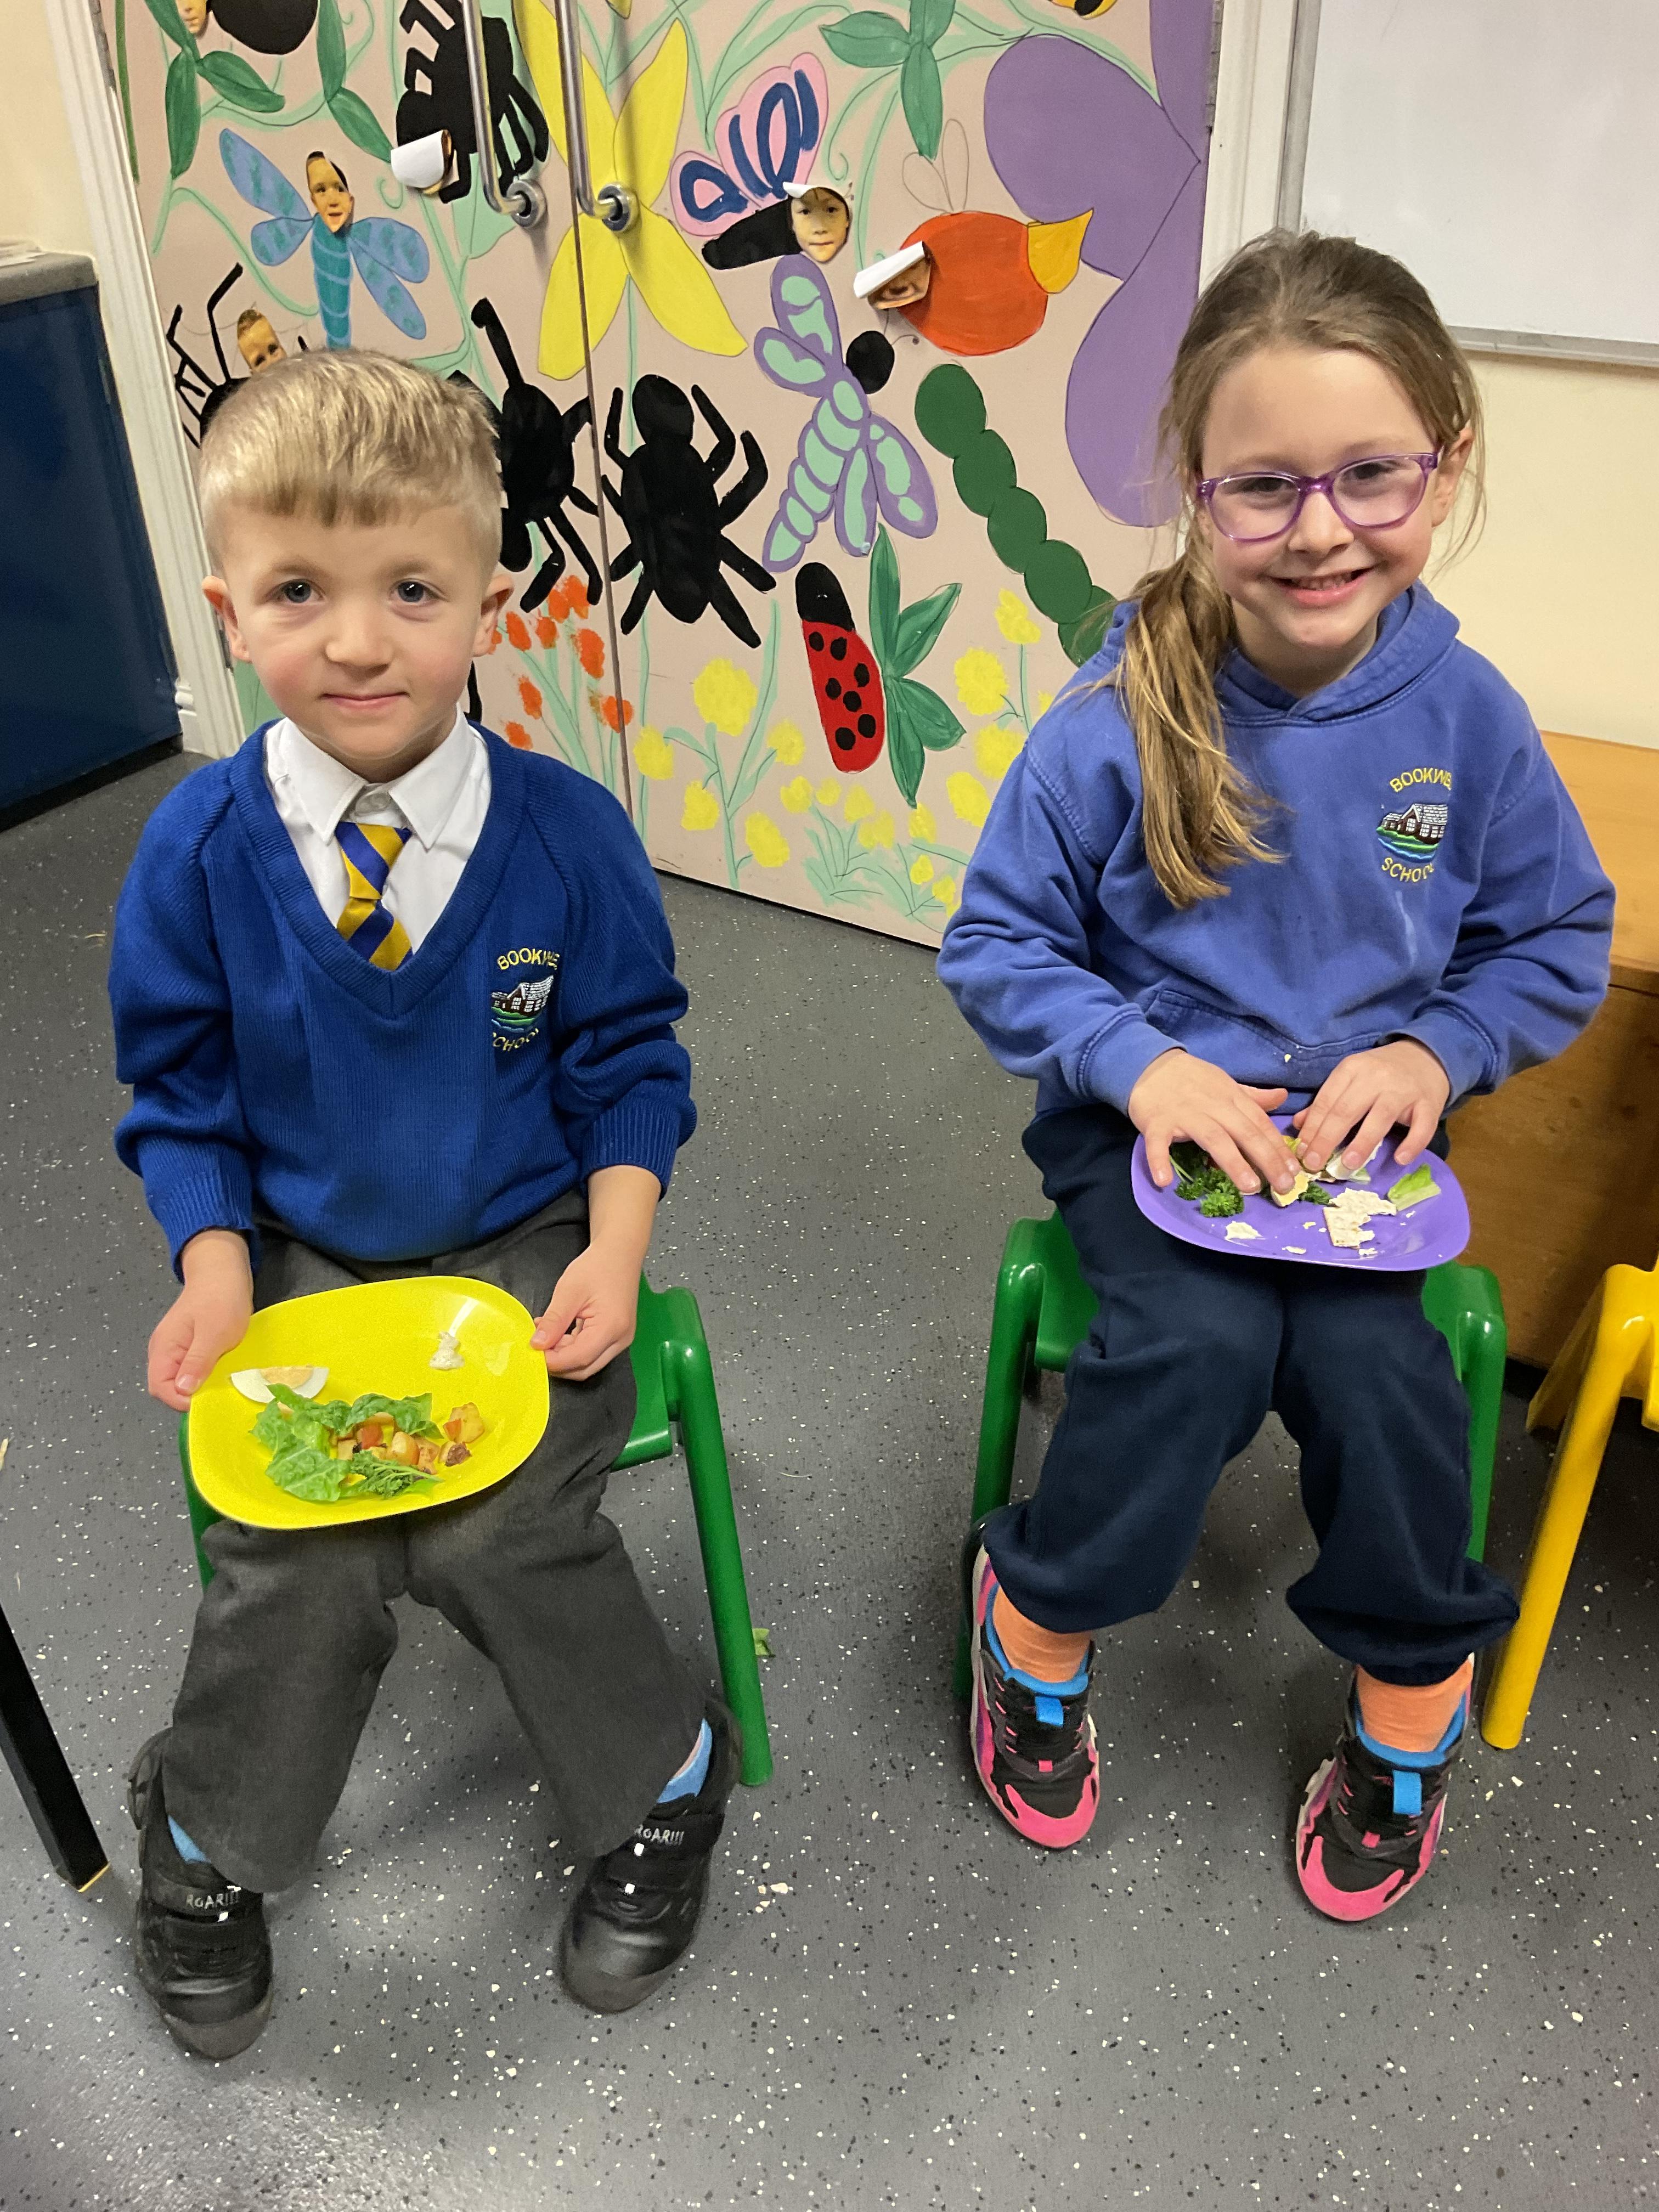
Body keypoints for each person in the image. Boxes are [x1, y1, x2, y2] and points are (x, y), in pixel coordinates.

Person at [938, 229, 1613, 1921]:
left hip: (1357, 1163)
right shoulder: (1113, 717)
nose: (1321, 528)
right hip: (1148, 1132)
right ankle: (1036, 1618)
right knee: (1197, 1344)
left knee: (1390, 1386)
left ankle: (1409, 1703)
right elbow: (997, 947)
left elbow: (1553, 941)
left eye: (1372, 472)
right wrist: (1140, 1066)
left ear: (1446, 461)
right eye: (1265, 485)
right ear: (1196, 486)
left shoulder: (1470, 720)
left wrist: (1439, 1047)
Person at [109, 349, 736, 2056]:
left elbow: (630, 1063)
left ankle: (666, 1775)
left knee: (493, 1526)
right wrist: (216, 1268)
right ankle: (207, 1829)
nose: (359, 641)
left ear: (489, 602)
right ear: (229, 612)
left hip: (525, 1246)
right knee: (299, 1548)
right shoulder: (194, 853)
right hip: (306, 1259)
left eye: (410, 589)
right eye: (298, 592)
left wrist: (617, 1249)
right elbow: (180, 1099)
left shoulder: (569, 838)